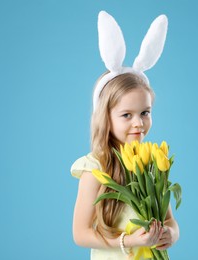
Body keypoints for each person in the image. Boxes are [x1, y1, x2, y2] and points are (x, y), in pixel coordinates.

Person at [70, 11, 179, 259]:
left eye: (145, 113)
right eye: (126, 115)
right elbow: (80, 233)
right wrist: (129, 241)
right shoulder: (96, 166)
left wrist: (170, 235)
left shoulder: (151, 162)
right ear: (105, 118)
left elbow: (171, 222)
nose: (139, 123)